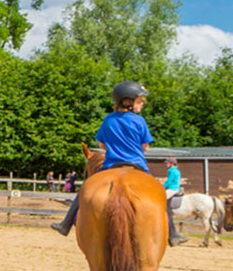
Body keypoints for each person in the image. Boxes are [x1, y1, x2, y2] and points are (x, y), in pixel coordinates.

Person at [51, 81, 187, 246]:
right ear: (127, 101)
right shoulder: (139, 121)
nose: (142, 103)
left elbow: (102, 146)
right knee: (159, 194)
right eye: (139, 100)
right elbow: (145, 146)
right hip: (137, 166)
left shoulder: (108, 120)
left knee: (85, 189)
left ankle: (65, 224)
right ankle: (173, 235)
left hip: (111, 166)